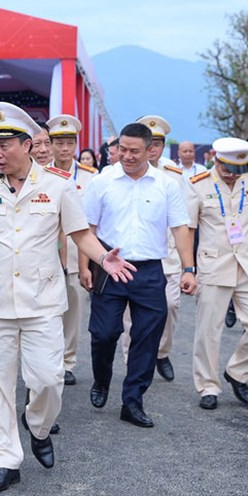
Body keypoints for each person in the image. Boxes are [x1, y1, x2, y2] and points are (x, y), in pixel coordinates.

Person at [0, 102, 135, 493]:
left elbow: (80, 233)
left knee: (48, 380)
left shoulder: (58, 184)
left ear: (27, 144)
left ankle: (38, 425)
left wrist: (103, 257)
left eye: (5, 146)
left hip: (42, 301)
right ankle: (5, 461)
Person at [82, 122, 196, 429]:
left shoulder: (166, 184)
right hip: (110, 266)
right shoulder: (103, 181)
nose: (127, 156)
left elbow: (180, 227)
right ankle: (102, 378)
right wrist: (85, 266)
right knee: (104, 333)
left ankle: (133, 400)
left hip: (149, 271)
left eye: (135, 151)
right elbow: (86, 229)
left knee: (147, 338)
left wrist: (188, 268)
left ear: (152, 151)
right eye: (122, 149)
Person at [118, 115, 185, 382]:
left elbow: (185, 222)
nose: (154, 148)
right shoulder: (119, 174)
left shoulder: (174, 177)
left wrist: (189, 263)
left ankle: (161, 351)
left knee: (171, 306)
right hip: (134, 256)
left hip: (167, 254)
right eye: (151, 142)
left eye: (158, 143)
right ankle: (130, 363)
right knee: (130, 317)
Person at [185, 137, 248, 410]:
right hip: (213, 265)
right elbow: (187, 230)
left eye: (238, 170)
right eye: (228, 169)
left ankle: (237, 371)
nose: (232, 175)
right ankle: (208, 386)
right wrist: (188, 269)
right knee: (209, 332)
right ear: (215, 159)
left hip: (245, 264)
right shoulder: (198, 185)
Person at [46, 114, 98, 386]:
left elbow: (92, 224)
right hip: (45, 254)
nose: (65, 149)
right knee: (45, 312)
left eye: (70, 143)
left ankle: (67, 361)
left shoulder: (91, 177)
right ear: (51, 145)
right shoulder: (41, 173)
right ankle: (48, 360)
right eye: (59, 143)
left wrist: (87, 265)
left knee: (73, 311)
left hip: (78, 255)